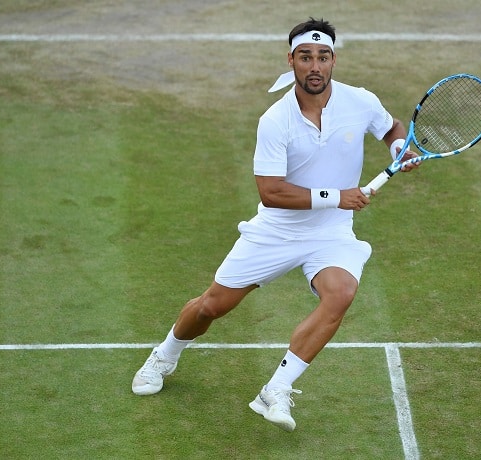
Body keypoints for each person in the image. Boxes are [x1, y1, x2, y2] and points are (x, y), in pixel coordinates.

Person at [131, 17, 419, 432]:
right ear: (291, 61)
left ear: (333, 61)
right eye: (306, 58)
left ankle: (277, 388)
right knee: (213, 306)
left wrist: (398, 147)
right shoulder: (275, 120)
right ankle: (165, 353)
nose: (315, 66)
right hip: (277, 231)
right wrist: (337, 196)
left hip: (331, 234)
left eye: (323, 57)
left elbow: (391, 128)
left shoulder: (361, 101)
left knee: (340, 294)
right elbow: (271, 191)